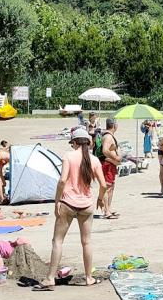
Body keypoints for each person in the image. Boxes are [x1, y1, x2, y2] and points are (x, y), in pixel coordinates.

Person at [37, 127, 107, 290]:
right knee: (86, 242)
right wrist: (100, 199)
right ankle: (89, 277)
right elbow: (103, 184)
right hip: (87, 205)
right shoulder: (94, 160)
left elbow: (62, 181)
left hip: (68, 203)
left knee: (58, 241)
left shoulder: (69, 156)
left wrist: (56, 202)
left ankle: (50, 278)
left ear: (74, 142)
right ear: (88, 143)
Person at [98, 118, 121, 218]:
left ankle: (109, 209)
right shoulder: (108, 136)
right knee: (107, 187)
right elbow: (105, 150)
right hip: (107, 164)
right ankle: (106, 211)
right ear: (114, 125)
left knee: (111, 187)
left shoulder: (109, 136)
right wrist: (115, 157)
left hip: (110, 164)